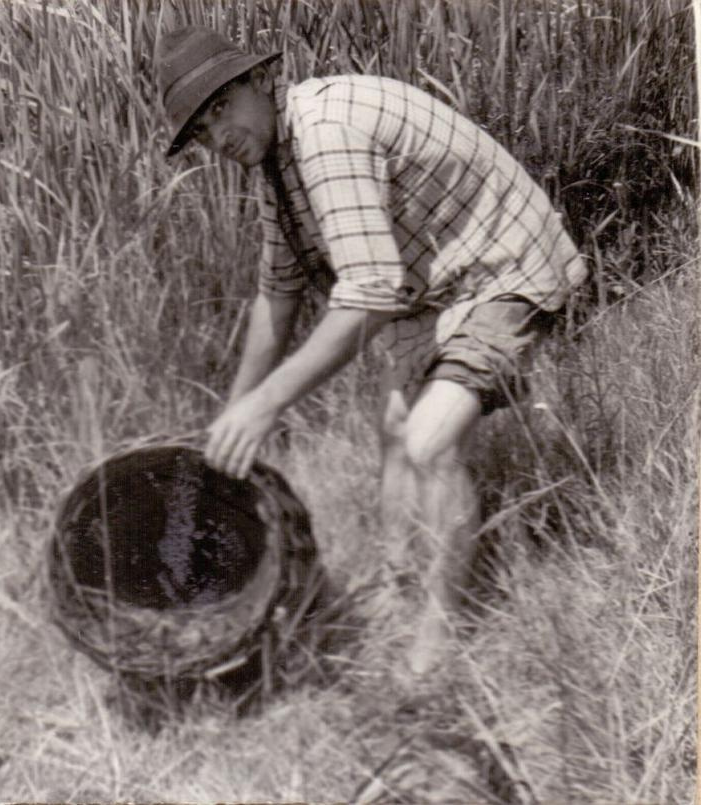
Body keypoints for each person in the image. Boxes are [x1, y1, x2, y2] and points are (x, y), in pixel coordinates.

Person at [154, 26, 587, 675]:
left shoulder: (325, 131)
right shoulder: (277, 162)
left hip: (505, 265)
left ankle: (442, 635)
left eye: (221, 109)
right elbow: (277, 297)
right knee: (394, 430)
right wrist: (232, 414)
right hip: (442, 285)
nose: (220, 138)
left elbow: (370, 296)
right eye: (203, 132)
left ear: (260, 82)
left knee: (429, 441)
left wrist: (268, 403)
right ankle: (396, 587)